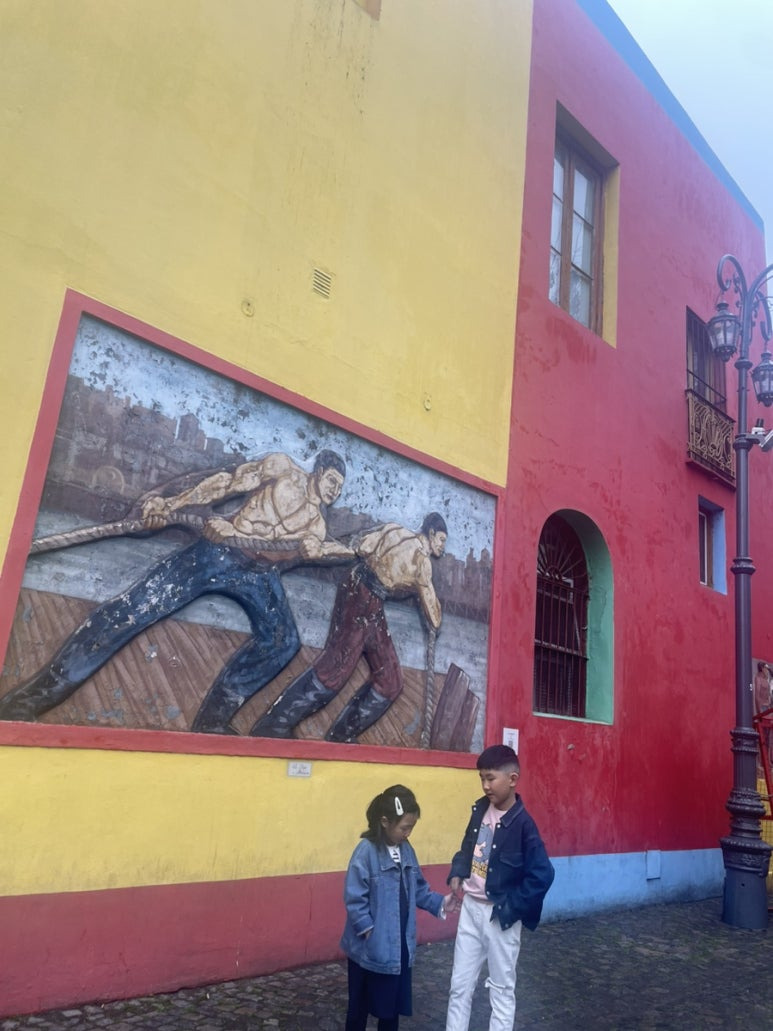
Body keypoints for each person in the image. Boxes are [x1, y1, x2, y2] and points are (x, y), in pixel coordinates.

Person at [0, 450, 354, 733]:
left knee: (283, 642)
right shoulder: (281, 468)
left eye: (339, 488)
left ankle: (212, 722)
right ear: (318, 471)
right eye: (332, 481)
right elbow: (225, 483)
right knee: (135, 608)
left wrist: (309, 552)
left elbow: (293, 555)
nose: (334, 491)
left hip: (258, 576)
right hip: (217, 554)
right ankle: (31, 700)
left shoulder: (316, 526)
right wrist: (171, 505)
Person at [250, 512, 447, 742]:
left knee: (390, 680)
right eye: (441, 539)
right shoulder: (422, 562)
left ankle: (341, 736)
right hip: (363, 599)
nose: (442, 546)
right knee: (335, 667)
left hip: (362, 592)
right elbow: (435, 617)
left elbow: (360, 546)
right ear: (431, 532)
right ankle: (274, 724)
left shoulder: (394, 530)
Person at [445, 744, 554, 1031]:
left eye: (491, 778)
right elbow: (467, 848)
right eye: (481, 778)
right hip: (470, 910)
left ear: (513, 779)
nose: (485, 785)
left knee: (501, 991)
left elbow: (542, 875)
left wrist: (511, 909)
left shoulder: (524, 825)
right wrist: (458, 871)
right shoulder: (480, 809)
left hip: (500, 917)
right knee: (459, 987)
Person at [340, 784, 457, 1031]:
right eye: (404, 828)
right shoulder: (366, 851)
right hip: (369, 948)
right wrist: (368, 929)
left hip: (398, 946)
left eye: (411, 828)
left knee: (391, 1008)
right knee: (359, 1008)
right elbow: (354, 895)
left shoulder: (406, 850)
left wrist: (440, 903)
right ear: (385, 822)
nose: (408, 833)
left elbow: (419, 888)